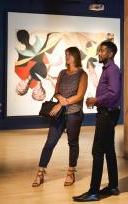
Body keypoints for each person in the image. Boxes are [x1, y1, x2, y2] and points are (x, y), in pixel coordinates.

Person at [32, 46, 88, 187]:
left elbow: (80, 96)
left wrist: (62, 103)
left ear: (75, 56)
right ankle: (40, 171)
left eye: (69, 54)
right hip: (59, 114)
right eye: (65, 54)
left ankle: (71, 171)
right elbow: (56, 92)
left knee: (72, 143)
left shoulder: (82, 74)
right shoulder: (62, 73)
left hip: (74, 113)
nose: (66, 57)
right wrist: (60, 100)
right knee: (50, 143)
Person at [73, 41, 121, 202]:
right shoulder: (108, 69)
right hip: (107, 112)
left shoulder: (112, 70)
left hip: (107, 114)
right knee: (109, 150)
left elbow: (114, 93)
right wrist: (97, 101)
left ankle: (93, 192)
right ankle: (113, 186)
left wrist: (96, 100)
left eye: (102, 51)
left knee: (97, 151)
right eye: (99, 51)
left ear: (111, 53)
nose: (99, 54)